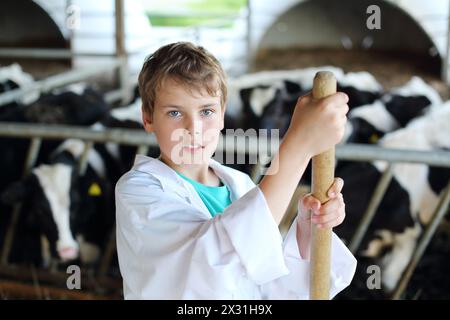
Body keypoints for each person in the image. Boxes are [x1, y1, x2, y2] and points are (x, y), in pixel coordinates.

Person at [115, 42, 356, 299]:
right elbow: (209, 267)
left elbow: (264, 281)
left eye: (207, 111)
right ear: (148, 118)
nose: (194, 128)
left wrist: (310, 229)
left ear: (222, 115)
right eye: (175, 112)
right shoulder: (138, 192)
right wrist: (297, 147)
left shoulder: (240, 186)